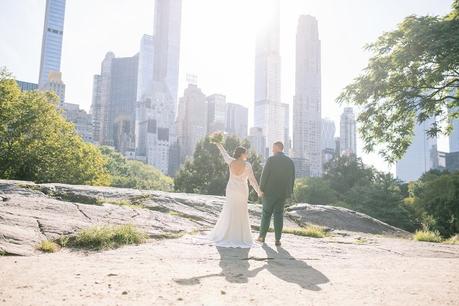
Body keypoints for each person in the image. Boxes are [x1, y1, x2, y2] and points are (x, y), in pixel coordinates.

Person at [207, 142, 263, 248]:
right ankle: (240, 236)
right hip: (242, 191)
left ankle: (227, 234)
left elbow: (224, 153)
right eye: (246, 153)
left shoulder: (231, 161)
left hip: (231, 190)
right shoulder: (248, 165)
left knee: (229, 210)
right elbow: (252, 180)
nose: (247, 155)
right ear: (242, 154)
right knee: (241, 212)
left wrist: (218, 143)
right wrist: (258, 192)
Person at [257, 141, 295, 246]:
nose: (272, 150)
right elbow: (292, 178)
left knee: (266, 214)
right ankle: (277, 240)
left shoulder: (271, 160)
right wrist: (289, 192)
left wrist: (261, 189)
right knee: (279, 216)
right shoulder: (289, 161)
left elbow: (264, 176)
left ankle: (261, 237)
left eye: (273, 148)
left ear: (278, 148)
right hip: (282, 193)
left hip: (269, 192)